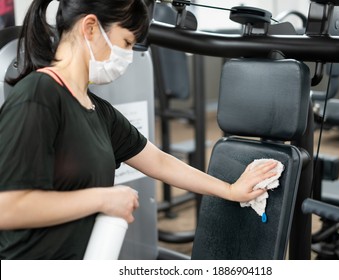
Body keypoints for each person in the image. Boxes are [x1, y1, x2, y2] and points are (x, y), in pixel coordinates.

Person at [0, 0, 277, 260]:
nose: (128, 57)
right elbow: (8, 209)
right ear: (90, 28)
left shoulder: (97, 109)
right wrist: (102, 198)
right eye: (126, 43)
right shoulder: (39, 95)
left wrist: (230, 190)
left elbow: (158, 161)